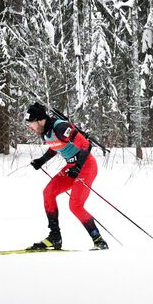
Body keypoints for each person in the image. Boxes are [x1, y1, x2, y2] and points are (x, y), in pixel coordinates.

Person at [25, 102, 107, 250]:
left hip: (86, 166)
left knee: (75, 205)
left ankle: (99, 241)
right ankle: (55, 237)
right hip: (72, 167)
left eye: (31, 124)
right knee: (48, 193)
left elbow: (86, 145)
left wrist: (78, 167)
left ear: (40, 120)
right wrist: (41, 161)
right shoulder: (45, 131)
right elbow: (56, 145)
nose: (30, 128)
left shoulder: (61, 127)